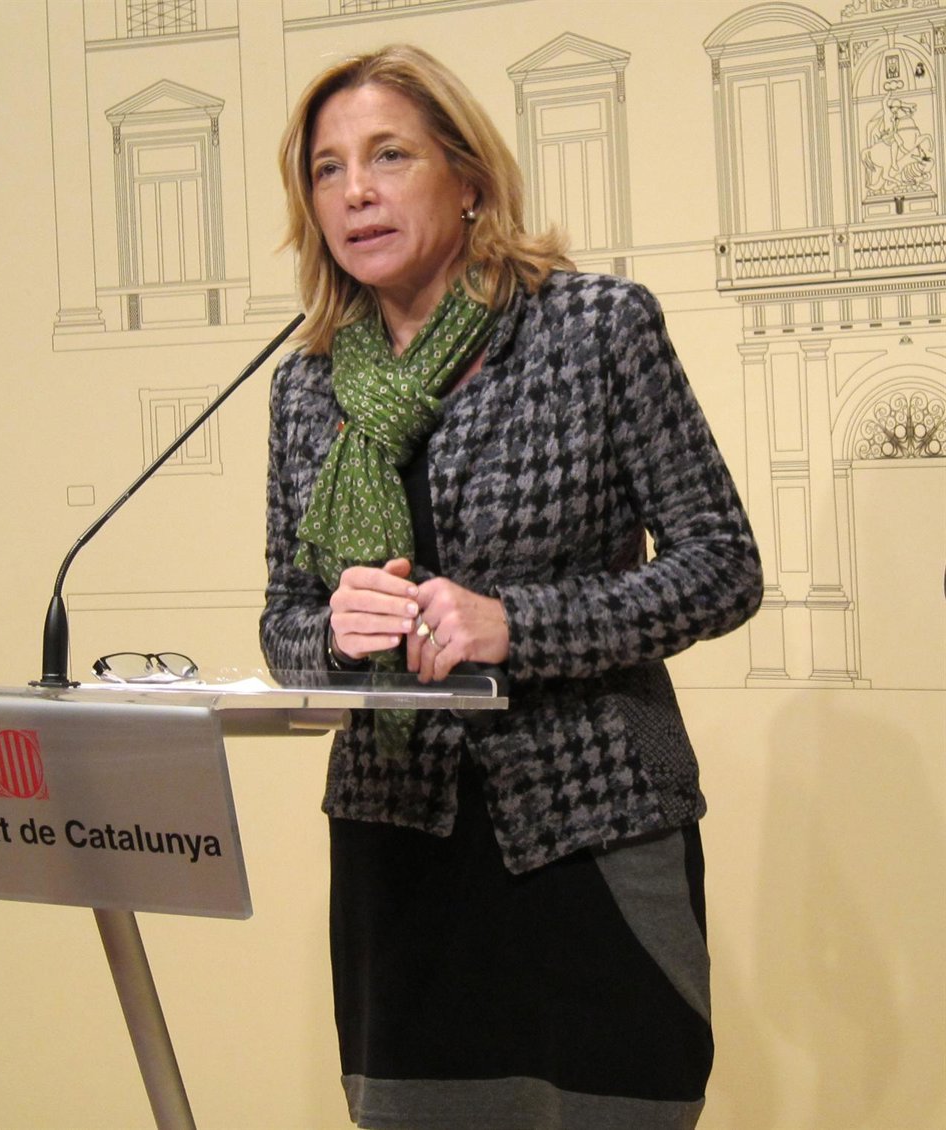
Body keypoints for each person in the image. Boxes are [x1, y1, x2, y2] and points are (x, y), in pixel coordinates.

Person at [260, 43, 762, 1130]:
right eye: (328, 169)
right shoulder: (307, 384)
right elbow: (283, 620)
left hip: (593, 826)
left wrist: (516, 624)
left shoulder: (595, 328)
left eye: (389, 155)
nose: (356, 191)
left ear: (468, 177)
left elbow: (723, 566)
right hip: (399, 841)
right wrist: (336, 634)